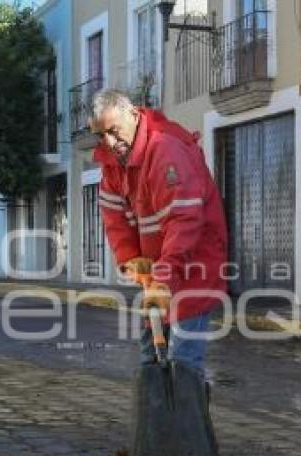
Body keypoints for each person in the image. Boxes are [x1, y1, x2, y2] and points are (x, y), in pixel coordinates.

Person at [90, 89, 227, 379]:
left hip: (193, 270)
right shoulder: (112, 168)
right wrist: (134, 264)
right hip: (160, 275)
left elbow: (183, 221)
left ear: (134, 114)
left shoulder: (166, 148)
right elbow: (115, 223)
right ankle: (160, 421)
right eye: (102, 136)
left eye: (114, 131)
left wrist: (162, 280)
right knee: (150, 360)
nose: (110, 143)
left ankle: (187, 421)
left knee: (184, 365)